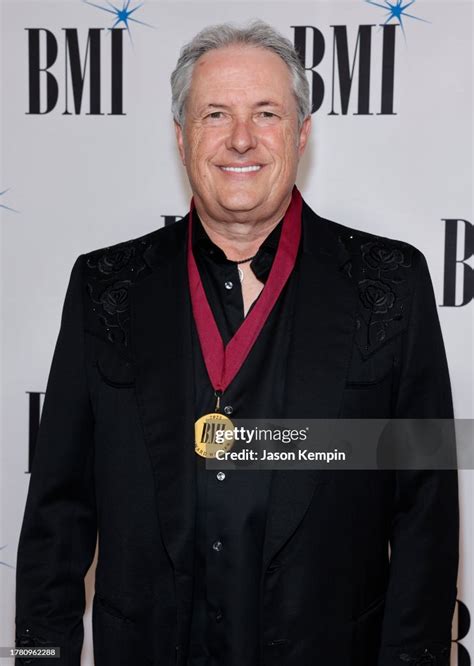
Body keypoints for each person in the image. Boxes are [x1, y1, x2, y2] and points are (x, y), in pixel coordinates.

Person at [15, 20, 458, 666]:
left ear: (302, 134)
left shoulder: (394, 285)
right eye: (216, 113)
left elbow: (428, 518)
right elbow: (56, 518)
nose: (241, 138)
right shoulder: (103, 289)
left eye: (267, 113)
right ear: (181, 136)